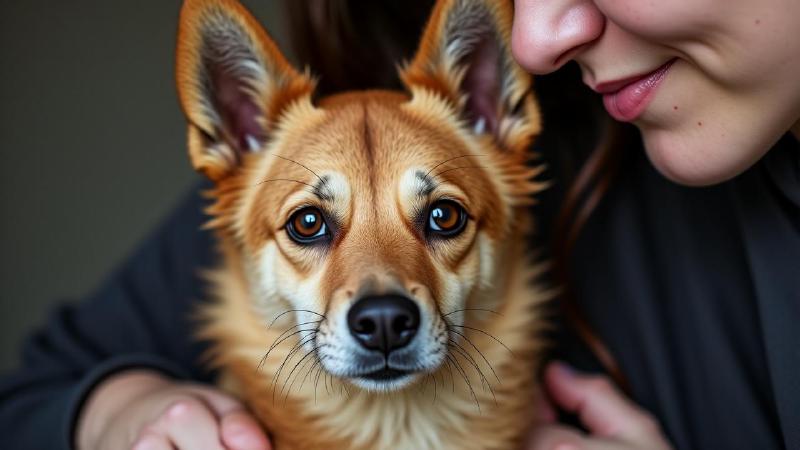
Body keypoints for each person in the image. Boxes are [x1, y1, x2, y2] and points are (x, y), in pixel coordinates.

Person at [1, 0, 797, 449]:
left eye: (441, 217)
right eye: (312, 226)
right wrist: (117, 412)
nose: (381, 290)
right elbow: (31, 397)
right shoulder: (334, 144)